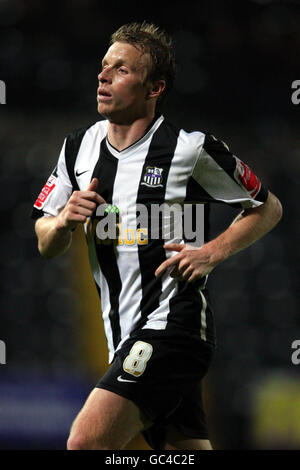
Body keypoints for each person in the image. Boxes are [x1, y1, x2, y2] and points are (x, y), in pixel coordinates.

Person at [31, 22, 282, 450]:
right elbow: (45, 242)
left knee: (84, 443)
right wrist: (62, 223)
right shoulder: (77, 149)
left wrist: (212, 252)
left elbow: (267, 207)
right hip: (124, 338)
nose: (103, 76)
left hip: (174, 326)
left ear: (154, 88)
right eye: (104, 66)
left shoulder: (189, 149)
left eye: (122, 69)